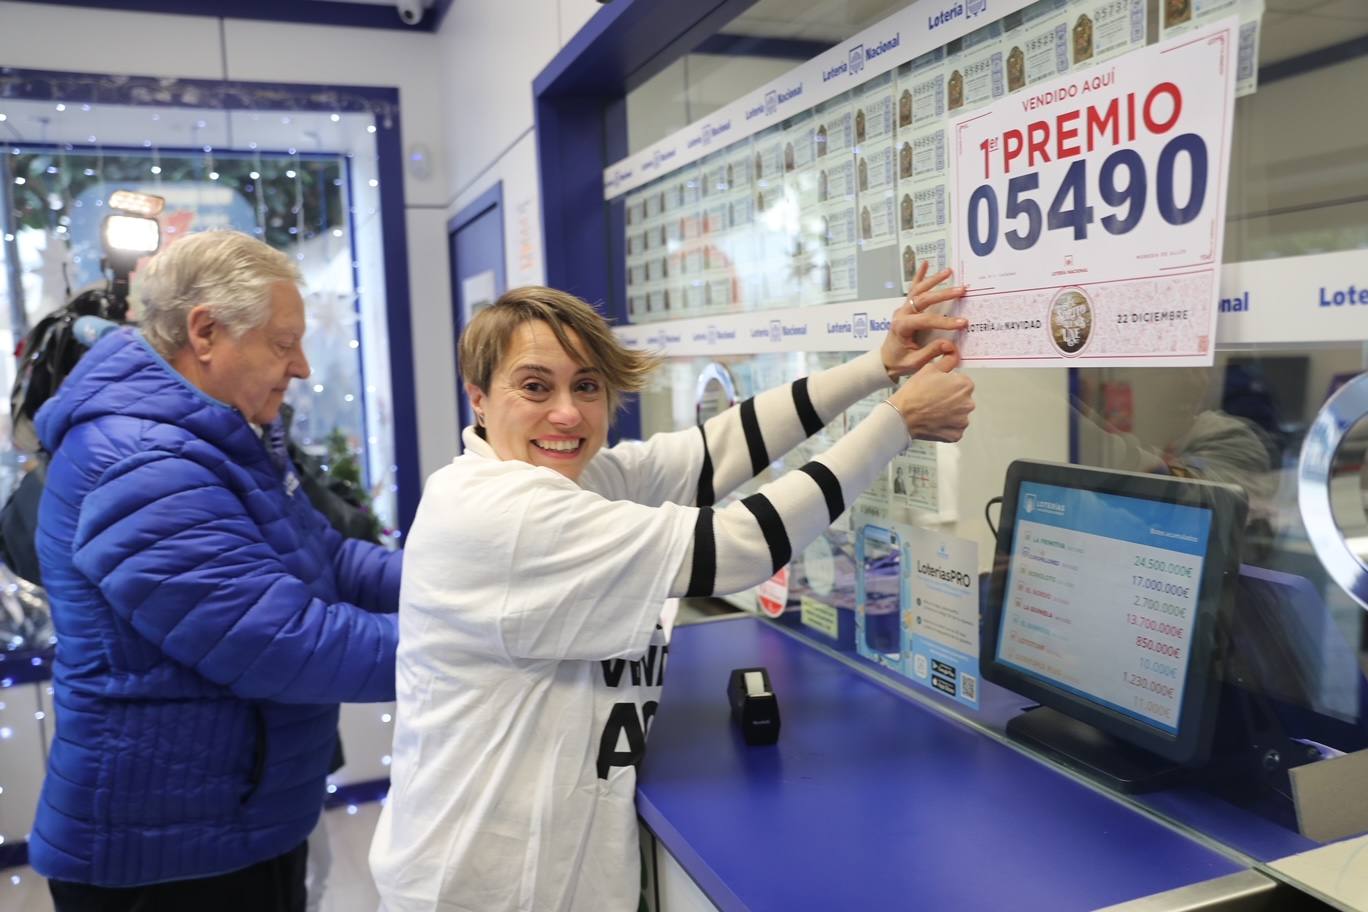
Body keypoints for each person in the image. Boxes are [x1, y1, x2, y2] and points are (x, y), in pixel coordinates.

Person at [370, 265, 974, 911]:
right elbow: (740, 546)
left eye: (587, 386)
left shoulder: (570, 477)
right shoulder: (504, 512)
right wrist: (896, 423)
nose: (568, 412)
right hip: (480, 889)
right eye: (534, 386)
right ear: (479, 399)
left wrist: (878, 365)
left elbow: (714, 452)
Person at [31, 230, 401, 911]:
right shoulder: (142, 460)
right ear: (205, 332)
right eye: (283, 343)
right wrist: (476, 640)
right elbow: (280, 641)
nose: (303, 368)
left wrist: (457, 578)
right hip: (166, 859)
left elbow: (330, 558)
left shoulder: (220, 436)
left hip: (230, 827)